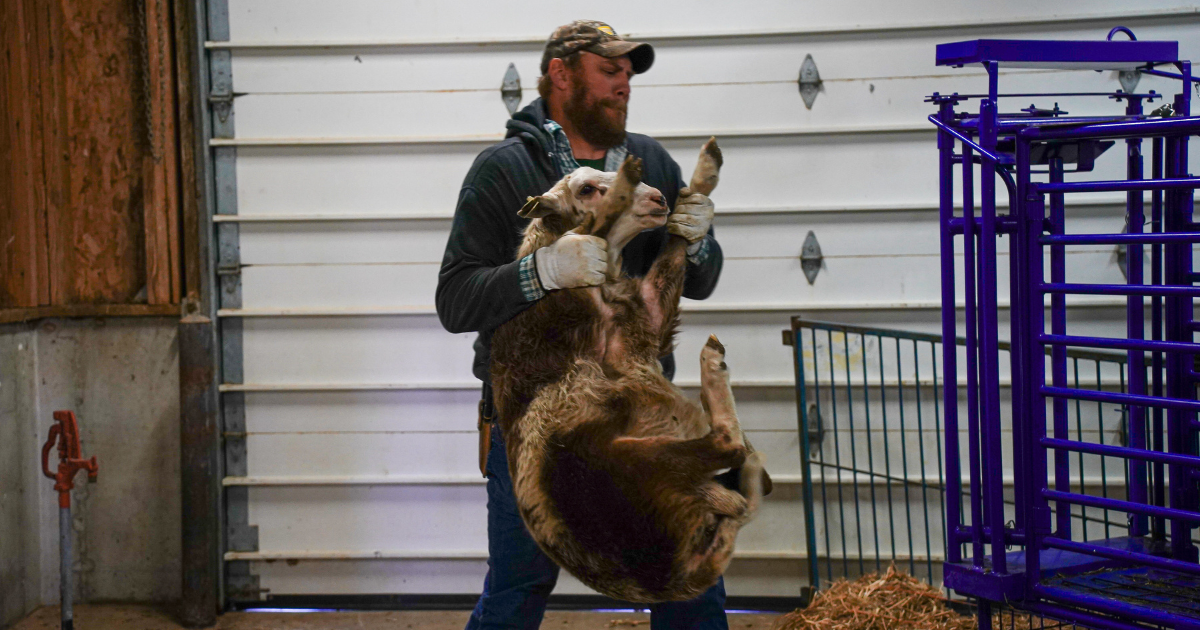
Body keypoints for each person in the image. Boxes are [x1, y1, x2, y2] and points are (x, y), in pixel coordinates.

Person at [435, 19, 727, 630]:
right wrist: (539, 271)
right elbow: (456, 300)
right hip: (535, 423)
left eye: (628, 73)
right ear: (561, 74)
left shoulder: (651, 162)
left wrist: (697, 242)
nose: (623, 84)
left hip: (635, 417)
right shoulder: (504, 171)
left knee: (686, 578)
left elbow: (699, 281)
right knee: (519, 586)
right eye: (609, 69)